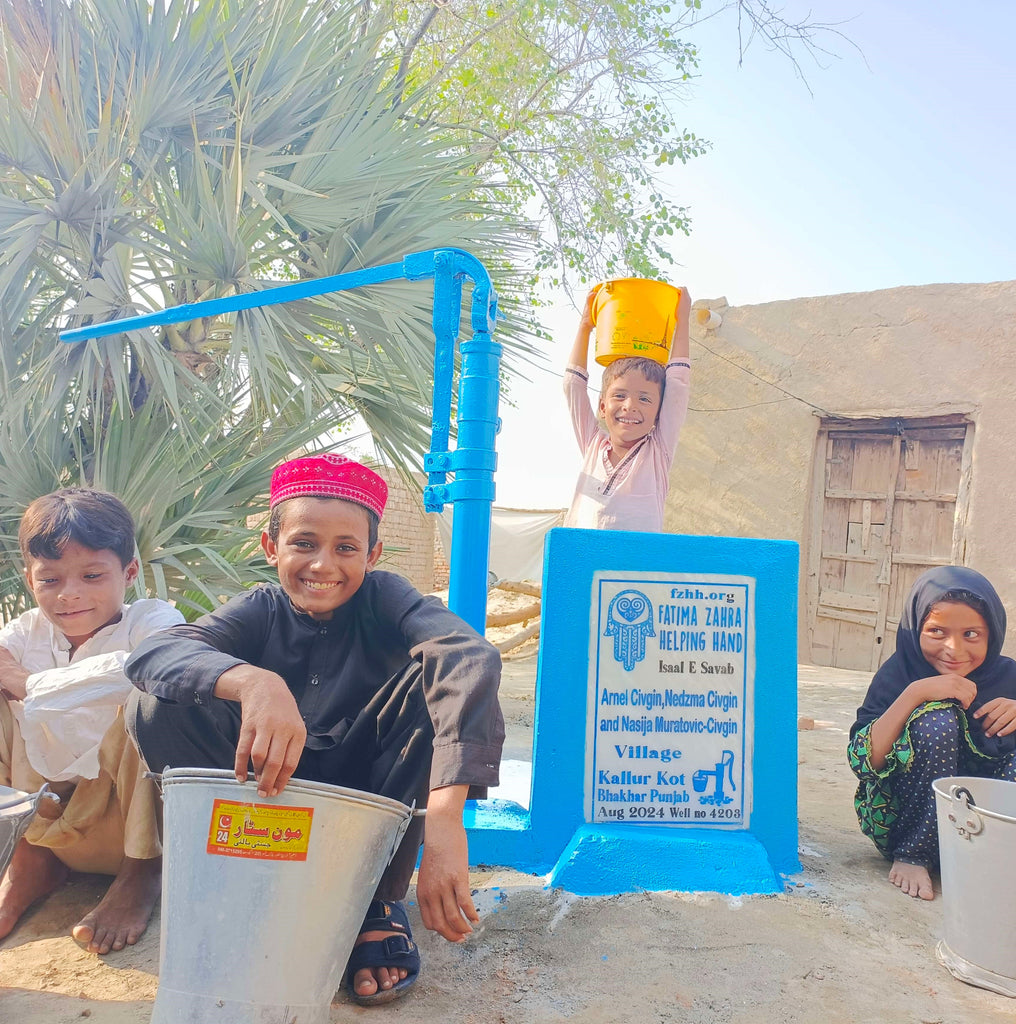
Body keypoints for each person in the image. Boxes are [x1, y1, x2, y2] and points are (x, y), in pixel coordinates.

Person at [124, 453, 504, 1005]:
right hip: (265, 790)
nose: (324, 565)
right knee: (155, 702)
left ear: (372, 554)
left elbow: (468, 656)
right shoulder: (259, 609)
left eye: (346, 548)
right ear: (271, 546)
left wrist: (446, 825)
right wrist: (254, 683)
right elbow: (156, 653)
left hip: (366, 789)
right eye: (304, 543)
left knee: (439, 685)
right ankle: (244, 889)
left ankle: (372, 898)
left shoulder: (387, 599)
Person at [0, 488, 184, 953]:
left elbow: (136, 670)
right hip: (51, 818)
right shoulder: (25, 632)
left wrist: (24, 681)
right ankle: (28, 863)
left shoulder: (154, 620)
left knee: (147, 700)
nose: (70, 594)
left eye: (92, 575)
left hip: (129, 825)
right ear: (30, 581)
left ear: (130, 572)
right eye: (51, 579)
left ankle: (143, 874)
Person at [848, 566, 1016, 901]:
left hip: (983, 832)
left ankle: (994, 852)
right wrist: (915, 694)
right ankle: (915, 854)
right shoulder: (898, 675)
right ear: (915, 629)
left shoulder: (1008, 675)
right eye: (937, 631)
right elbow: (862, 762)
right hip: (905, 820)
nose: (954, 649)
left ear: (992, 633)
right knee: (937, 720)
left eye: (972, 634)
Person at [563, 284, 691, 531]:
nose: (630, 406)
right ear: (602, 406)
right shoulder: (593, 445)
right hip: (583, 563)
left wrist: (682, 320)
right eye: (619, 396)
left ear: (659, 413)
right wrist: (585, 327)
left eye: (644, 399)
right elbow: (573, 387)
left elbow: (677, 384)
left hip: (634, 568)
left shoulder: (657, 453)